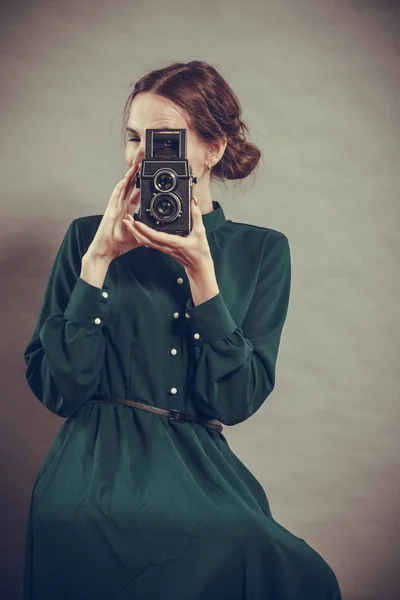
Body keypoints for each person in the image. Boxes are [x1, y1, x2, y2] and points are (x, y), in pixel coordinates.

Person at [22, 60, 342, 599]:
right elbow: (60, 389)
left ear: (212, 148)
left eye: (163, 141)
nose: (141, 159)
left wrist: (202, 276)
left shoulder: (262, 250)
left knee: (277, 562)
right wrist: (98, 259)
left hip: (196, 471)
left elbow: (235, 400)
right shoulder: (85, 237)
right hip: (92, 466)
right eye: (132, 139)